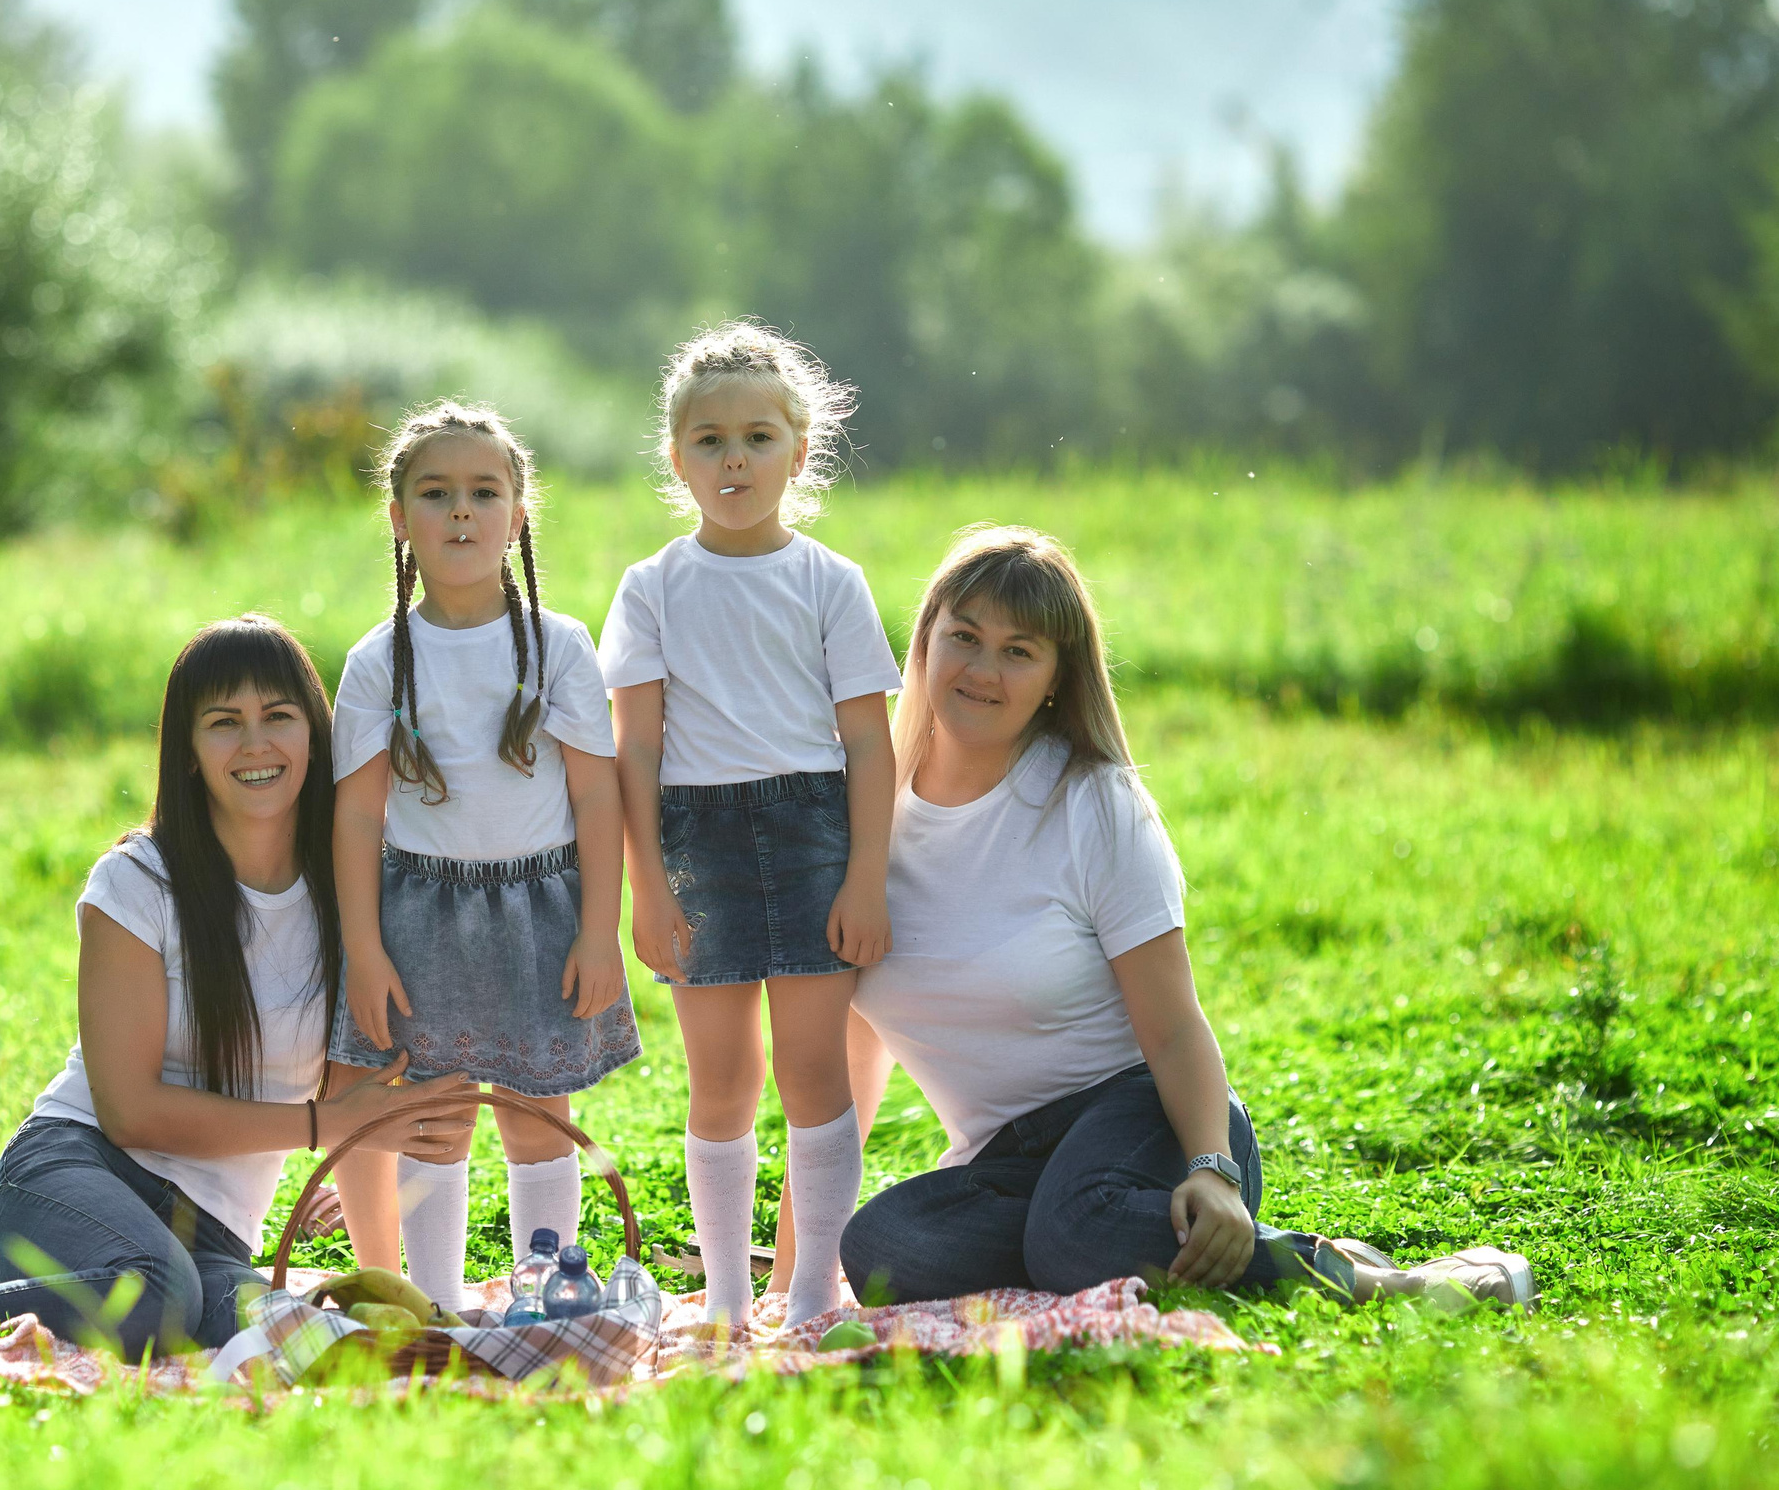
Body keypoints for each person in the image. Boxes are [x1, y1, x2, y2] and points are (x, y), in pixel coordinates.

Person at [0, 616, 482, 1360]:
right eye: (224, 722)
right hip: (71, 1172)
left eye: (278, 716)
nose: (255, 744)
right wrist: (324, 1122)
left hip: (210, 1238)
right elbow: (131, 1114)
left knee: (292, 1332)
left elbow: (359, 1115)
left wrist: (391, 1290)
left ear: (314, 736)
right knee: (154, 1292)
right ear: (187, 751)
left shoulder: (350, 896)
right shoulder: (136, 882)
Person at [840, 526, 1534, 1310]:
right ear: (924, 638)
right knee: (883, 1247)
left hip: (1146, 1113)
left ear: (1056, 680)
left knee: (1074, 1232)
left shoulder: (1092, 803)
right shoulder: (866, 811)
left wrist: (1213, 1165)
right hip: (1009, 1159)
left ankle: (1388, 1284)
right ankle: (1170, 1253)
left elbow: (1172, 1025)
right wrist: (797, 1275)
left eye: (1018, 650)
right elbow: (853, 1043)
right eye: (963, 636)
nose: (982, 669)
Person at [601, 322, 901, 1332]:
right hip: (697, 846)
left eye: (759, 439)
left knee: (815, 1073)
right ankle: (727, 1298)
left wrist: (865, 877)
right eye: (711, 440)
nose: (735, 460)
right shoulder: (651, 589)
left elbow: (869, 743)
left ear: (799, 451)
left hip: (815, 830)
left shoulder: (830, 582)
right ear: (677, 456)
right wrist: (649, 886)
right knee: (721, 1079)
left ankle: (811, 1289)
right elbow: (633, 750)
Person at [326, 402, 638, 1311]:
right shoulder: (379, 659)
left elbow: (595, 797)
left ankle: (546, 1285)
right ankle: (438, 1299)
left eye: (483, 492)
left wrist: (599, 931)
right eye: (436, 493)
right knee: (436, 1118)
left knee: (542, 1115)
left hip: (542, 906)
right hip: (420, 913)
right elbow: (355, 817)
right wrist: (365, 947)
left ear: (519, 512)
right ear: (399, 518)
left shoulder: (559, 645)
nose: (461, 513)